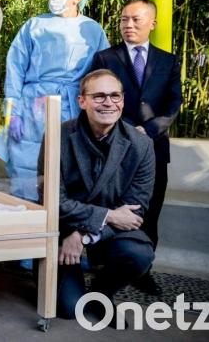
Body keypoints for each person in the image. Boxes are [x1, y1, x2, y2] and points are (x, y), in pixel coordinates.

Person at [40, 69, 155, 321]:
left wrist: (82, 235)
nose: (108, 103)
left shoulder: (141, 144)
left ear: (123, 101)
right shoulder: (57, 136)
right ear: (82, 101)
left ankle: (102, 292)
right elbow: (53, 201)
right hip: (63, 229)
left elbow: (135, 212)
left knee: (139, 254)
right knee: (70, 310)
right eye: (99, 96)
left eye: (115, 96)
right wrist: (107, 215)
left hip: (100, 233)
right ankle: (68, 280)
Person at [89, 0, 182, 295]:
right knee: (112, 207)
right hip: (112, 148)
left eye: (136, 20)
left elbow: (174, 103)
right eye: (124, 19)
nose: (128, 25)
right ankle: (106, 268)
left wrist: (149, 129)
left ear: (152, 24)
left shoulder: (168, 60)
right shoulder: (105, 58)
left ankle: (143, 270)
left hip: (155, 149)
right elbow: (97, 99)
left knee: (150, 212)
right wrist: (124, 131)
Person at [0, 0, 109, 202]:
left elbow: (103, 72)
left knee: (69, 163)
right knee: (25, 161)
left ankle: (66, 221)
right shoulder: (35, 25)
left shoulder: (93, 29)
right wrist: (12, 111)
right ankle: (26, 215)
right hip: (31, 105)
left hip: (73, 106)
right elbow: (15, 67)